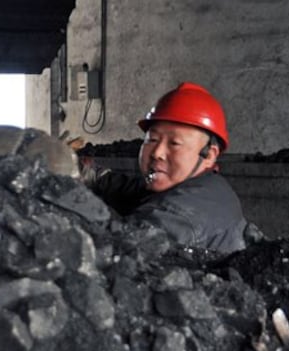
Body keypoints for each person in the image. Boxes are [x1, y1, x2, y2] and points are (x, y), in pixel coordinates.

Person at [84, 81, 248, 253]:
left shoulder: (180, 214)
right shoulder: (202, 185)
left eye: (174, 143)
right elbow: (133, 189)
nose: (157, 153)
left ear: (208, 155)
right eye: (152, 140)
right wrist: (90, 174)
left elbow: (121, 248)